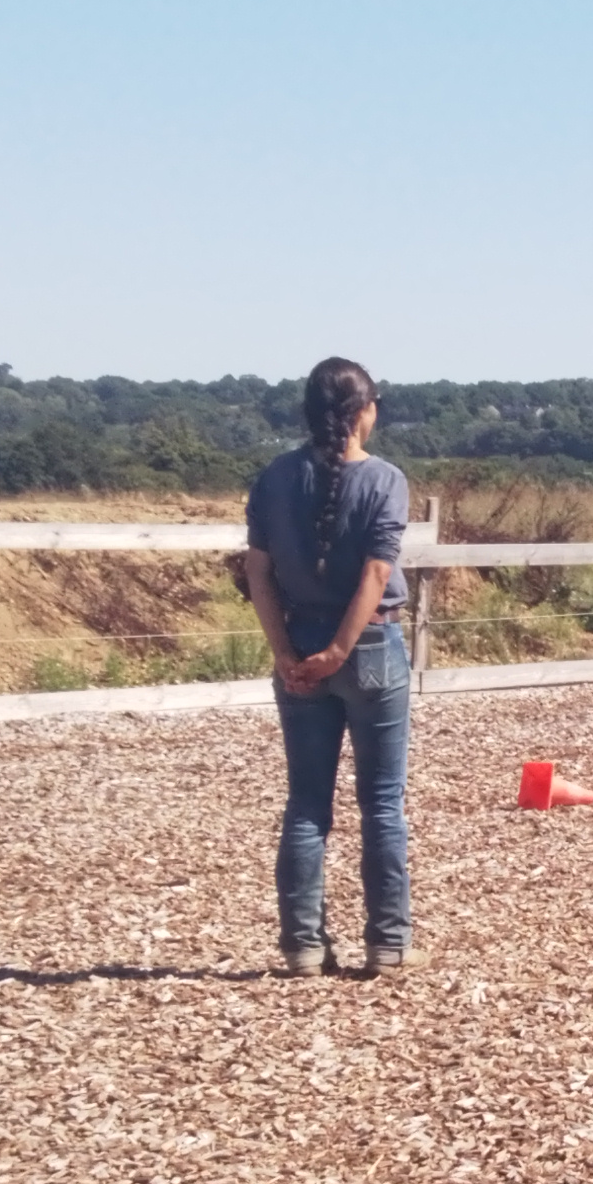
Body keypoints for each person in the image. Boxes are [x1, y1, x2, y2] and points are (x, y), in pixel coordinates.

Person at [236, 357, 415, 976]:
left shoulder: (274, 478)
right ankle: (387, 943)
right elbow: (375, 573)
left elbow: (257, 572)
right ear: (365, 411)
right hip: (368, 648)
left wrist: (284, 650)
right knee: (382, 804)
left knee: (307, 804)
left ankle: (303, 946)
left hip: (299, 645)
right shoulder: (386, 479)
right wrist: (341, 648)